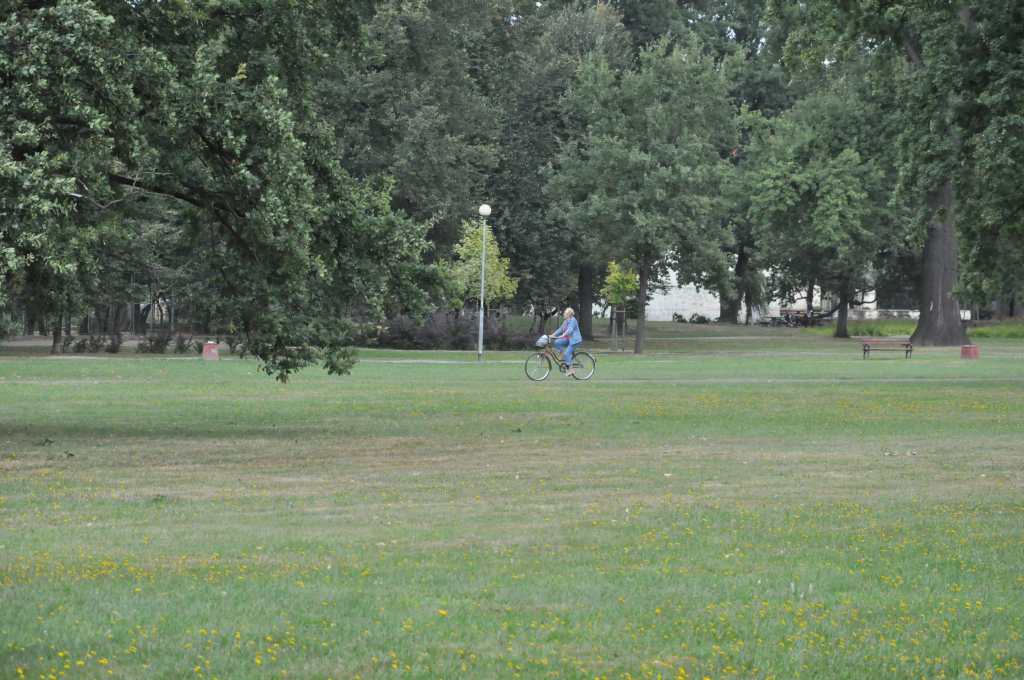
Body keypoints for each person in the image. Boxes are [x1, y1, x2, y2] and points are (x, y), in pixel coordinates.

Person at [550, 307, 583, 377]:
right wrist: (552, 335)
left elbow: (570, 330)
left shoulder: (573, 320)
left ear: (569, 314)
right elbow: (560, 329)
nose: (564, 314)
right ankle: (562, 353)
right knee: (557, 342)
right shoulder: (566, 321)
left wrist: (564, 334)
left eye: (565, 313)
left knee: (567, 353)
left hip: (575, 341)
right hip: (568, 339)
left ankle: (571, 369)